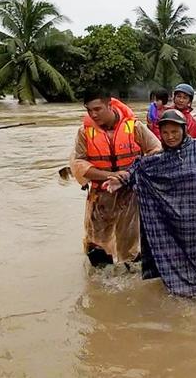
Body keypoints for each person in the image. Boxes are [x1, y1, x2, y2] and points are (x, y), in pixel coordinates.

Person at [104, 109, 196, 300]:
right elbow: (138, 169)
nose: (170, 137)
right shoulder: (158, 160)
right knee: (181, 266)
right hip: (179, 227)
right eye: (165, 133)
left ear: (184, 130)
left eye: (175, 132)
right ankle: (190, 293)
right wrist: (121, 180)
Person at [70, 91, 161, 266]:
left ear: (110, 105)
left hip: (129, 194)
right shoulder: (84, 132)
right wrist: (109, 175)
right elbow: (78, 164)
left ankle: (128, 280)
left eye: (98, 109)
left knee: (129, 244)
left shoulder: (134, 127)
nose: (93, 114)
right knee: (96, 245)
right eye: (89, 111)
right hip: (100, 196)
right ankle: (99, 286)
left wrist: (130, 173)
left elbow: (156, 151)